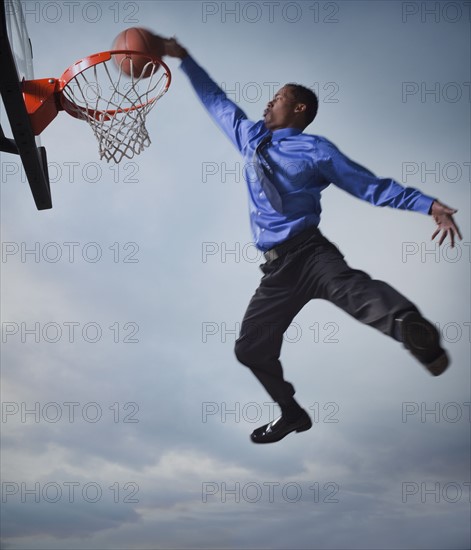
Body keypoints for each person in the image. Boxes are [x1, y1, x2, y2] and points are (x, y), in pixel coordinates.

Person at [164, 38, 462, 444]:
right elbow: (218, 103)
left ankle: (412, 329)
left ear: (299, 109)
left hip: (310, 252)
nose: (268, 104)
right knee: (250, 349)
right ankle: (291, 414)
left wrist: (426, 205)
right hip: (277, 270)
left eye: (278, 98)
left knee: (353, 289)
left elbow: (368, 185)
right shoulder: (250, 138)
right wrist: (185, 60)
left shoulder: (315, 149)